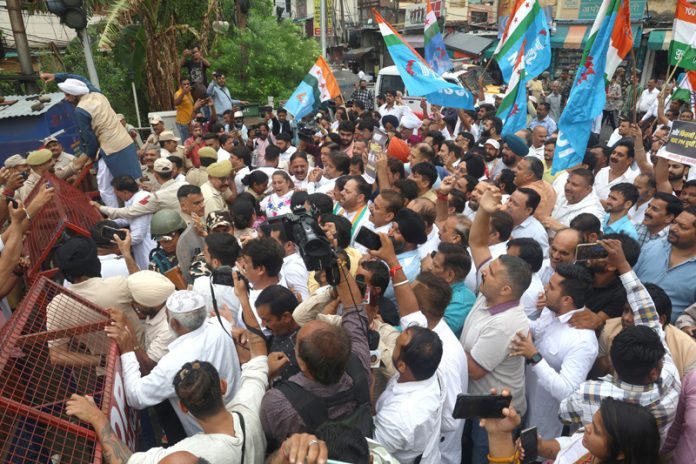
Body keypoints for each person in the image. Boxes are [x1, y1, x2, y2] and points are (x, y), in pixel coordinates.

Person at [66, 328, 269, 464]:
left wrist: (96, 417)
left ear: (183, 407)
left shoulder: (190, 453)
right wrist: (234, 328)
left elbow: (125, 460)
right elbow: (259, 357)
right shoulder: (250, 405)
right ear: (223, 386)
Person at [559, 239, 680, 440]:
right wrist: (623, 265)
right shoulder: (668, 374)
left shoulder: (590, 393)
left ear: (613, 362)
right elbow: (648, 314)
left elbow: (564, 414)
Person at [259, 255, 371, 449]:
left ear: (301, 363)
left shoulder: (278, 402)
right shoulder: (360, 363)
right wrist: (333, 259)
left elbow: (265, 432)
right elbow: (354, 306)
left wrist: (265, 375)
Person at [461, 189, 531, 464]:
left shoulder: (508, 323)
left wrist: (440, 335)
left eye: (489, 273)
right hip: (477, 405)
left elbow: (474, 369)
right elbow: (477, 243)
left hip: (497, 416)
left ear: (505, 288)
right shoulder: (489, 292)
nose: (482, 272)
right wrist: (484, 211)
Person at [120, 291, 241, 437]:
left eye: (166, 316)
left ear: (174, 323)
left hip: (207, 437)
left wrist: (128, 350)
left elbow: (135, 397)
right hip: (240, 416)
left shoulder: (173, 363)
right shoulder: (222, 326)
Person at [510, 263, 598, 439]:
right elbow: (537, 329)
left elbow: (567, 393)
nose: (544, 289)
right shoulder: (550, 311)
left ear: (567, 300)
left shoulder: (583, 342)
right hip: (524, 399)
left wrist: (534, 356)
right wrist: (511, 313)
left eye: (551, 287)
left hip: (546, 425)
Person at [43, 72, 142, 208]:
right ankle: (134, 210)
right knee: (133, 182)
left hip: (111, 149)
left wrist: (89, 156)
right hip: (125, 142)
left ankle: (118, 217)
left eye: (68, 95)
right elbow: (81, 79)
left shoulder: (80, 110)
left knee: (106, 187)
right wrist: (56, 76)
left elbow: (90, 140)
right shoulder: (96, 93)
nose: (66, 99)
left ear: (75, 94)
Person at [482, 393, 661, 464]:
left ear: (621, 452)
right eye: (592, 422)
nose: (587, 428)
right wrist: (499, 433)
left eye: (597, 430)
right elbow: (567, 446)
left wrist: (499, 437)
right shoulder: (592, 448)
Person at [634, 206, 696, 320]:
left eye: (682, 227)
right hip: (628, 318)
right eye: (674, 223)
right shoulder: (651, 247)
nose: (673, 228)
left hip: (667, 332)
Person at [95, 158, 188, 220]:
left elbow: (128, 212)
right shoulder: (186, 184)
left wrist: (100, 207)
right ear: (172, 172)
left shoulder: (156, 197)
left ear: (155, 174)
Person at [111, 175, 158, 270]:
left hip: (148, 248)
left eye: (116, 192)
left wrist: (116, 243)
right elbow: (127, 218)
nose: (114, 194)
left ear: (125, 192)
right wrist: (110, 223)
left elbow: (137, 236)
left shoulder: (139, 201)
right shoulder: (132, 198)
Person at [431, 242, 476, 337]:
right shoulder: (436, 286)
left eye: (435, 266)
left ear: (449, 275)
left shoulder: (462, 301)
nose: (430, 268)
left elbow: (433, 332)